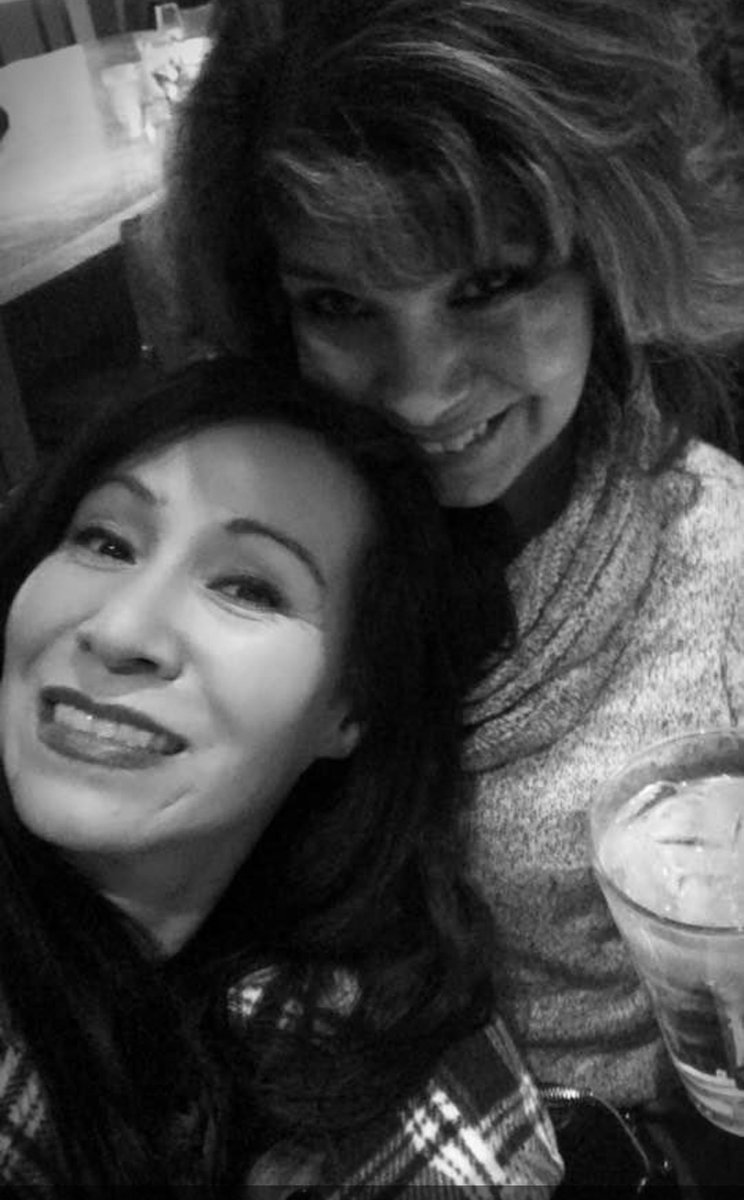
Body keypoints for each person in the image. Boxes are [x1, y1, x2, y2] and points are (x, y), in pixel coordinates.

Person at [166, 0, 744, 1177]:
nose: (421, 391)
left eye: (488, 284)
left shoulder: (718, 569)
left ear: (607, 261)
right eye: (340, 305)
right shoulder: (229, 543)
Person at [0, 355, 562, 1192]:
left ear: (351, 708)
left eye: (249, 589)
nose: (120, 631)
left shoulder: (375, 1047)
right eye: (104, 541)